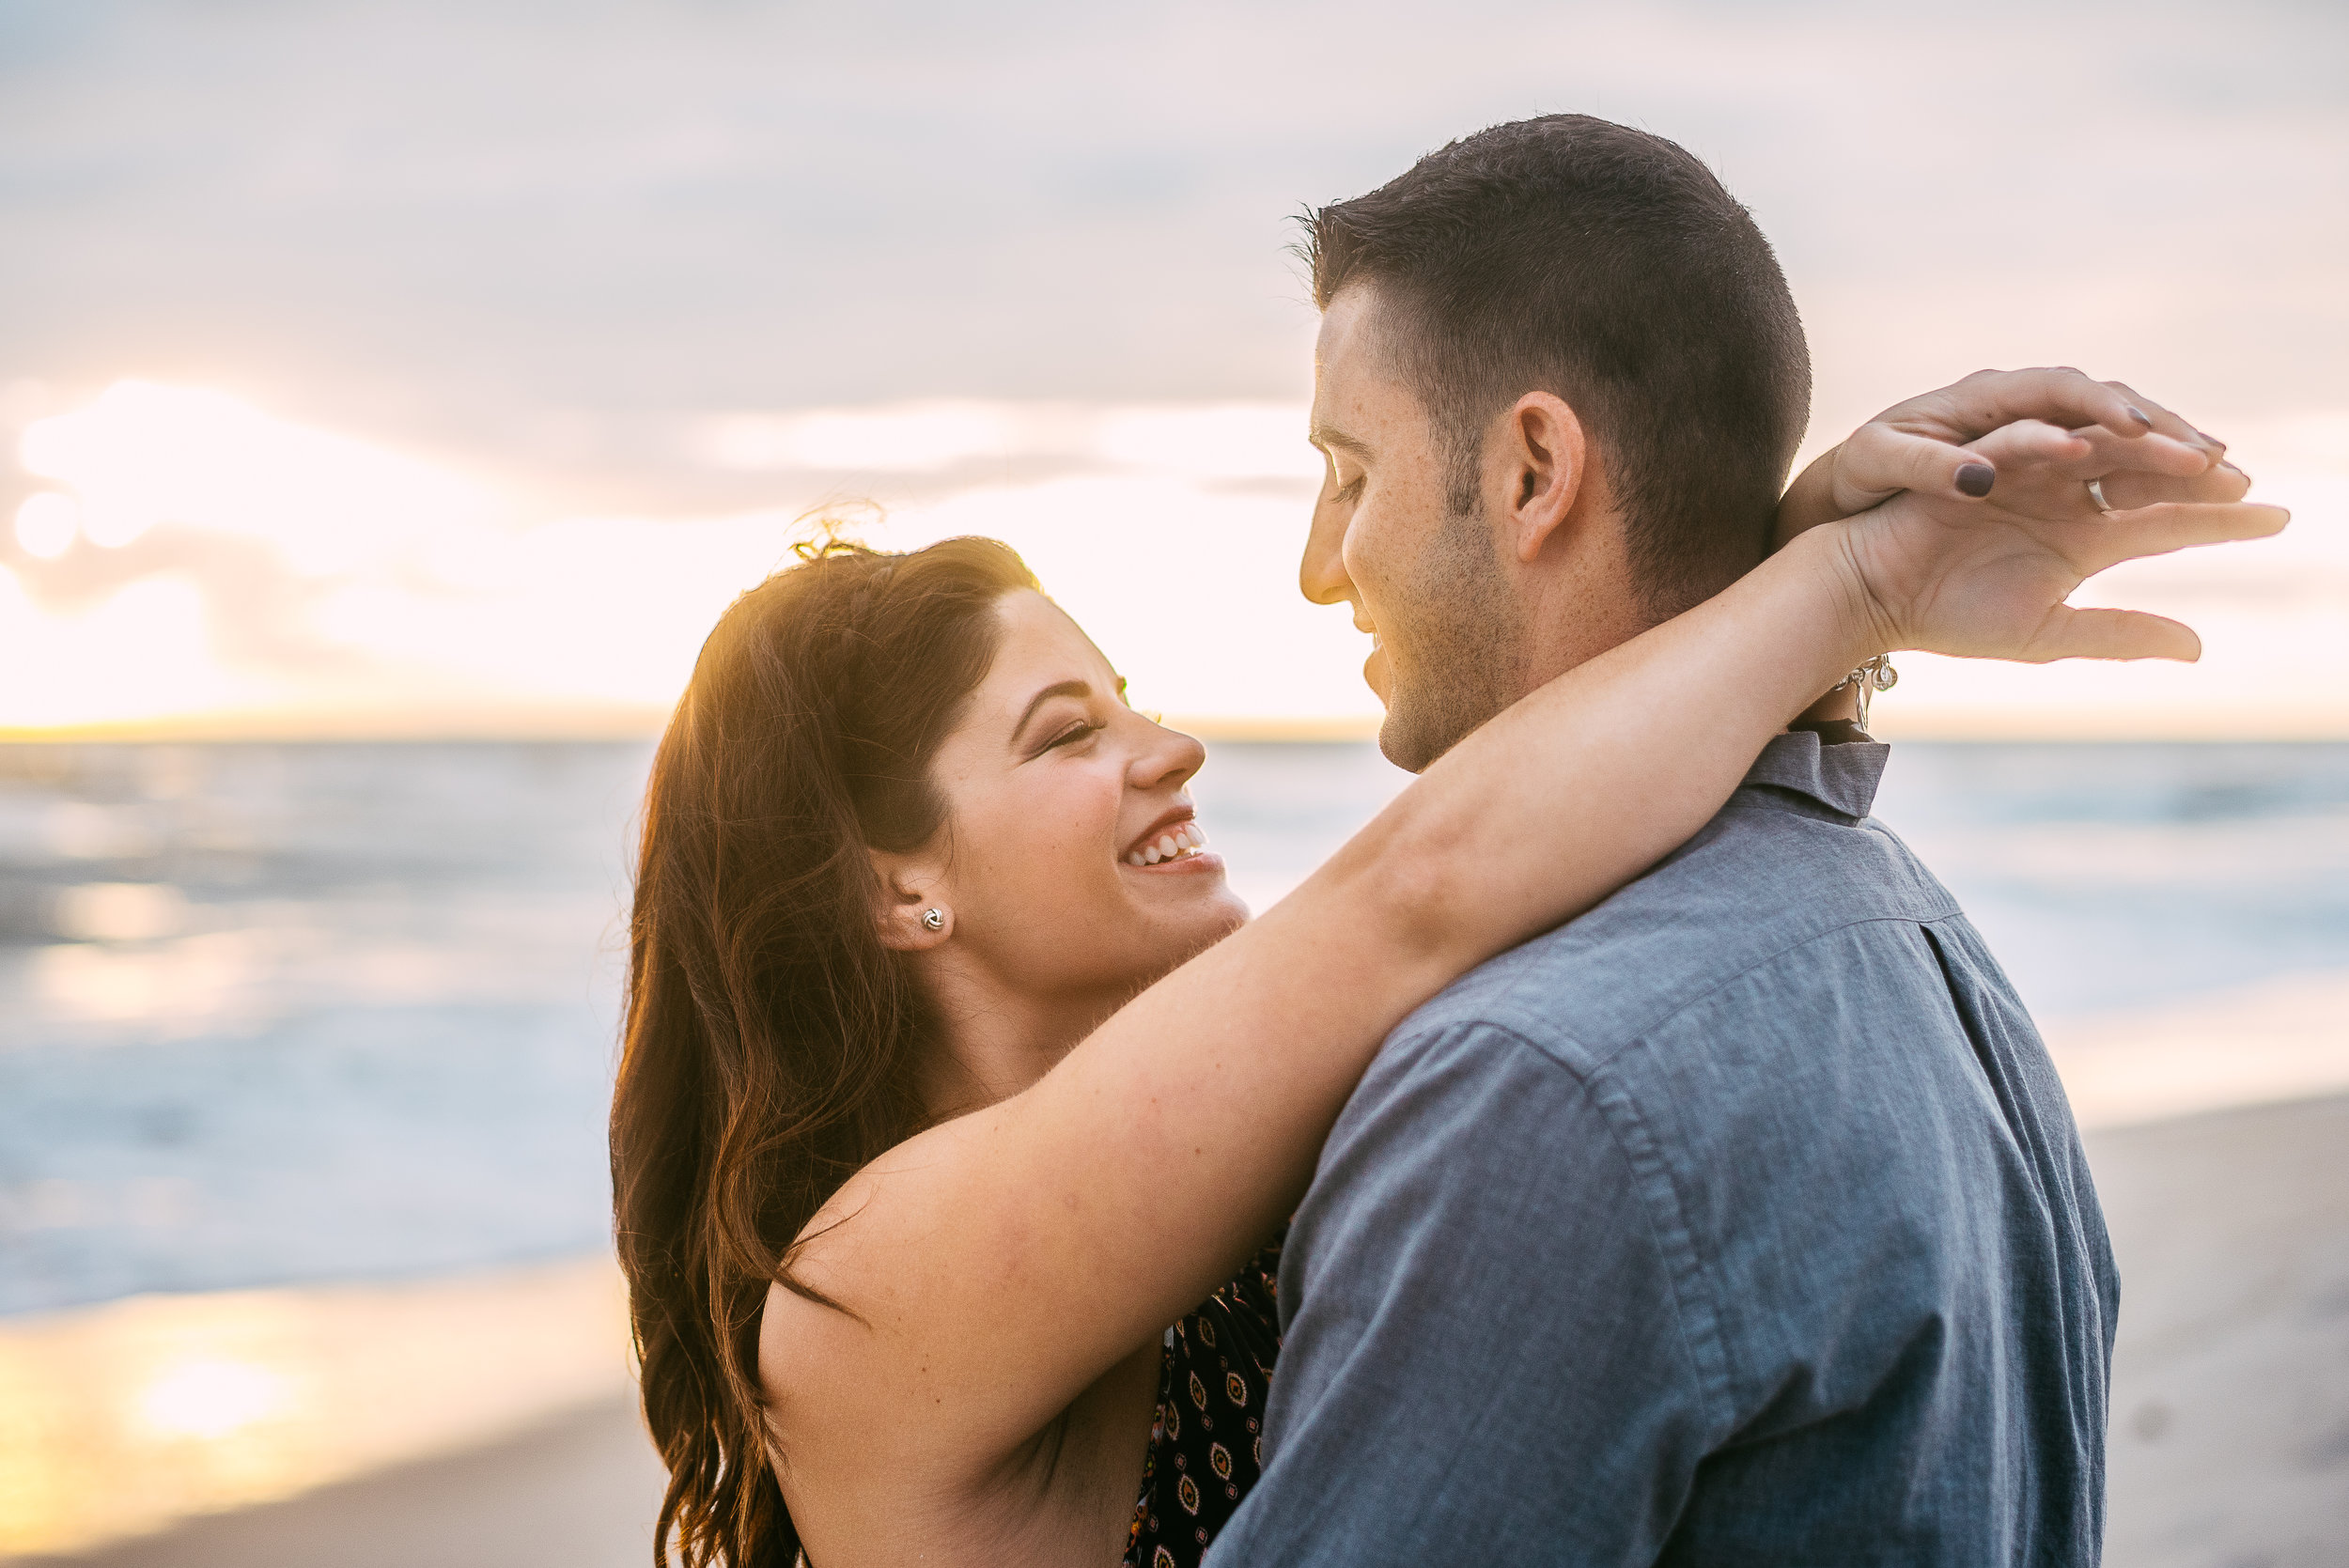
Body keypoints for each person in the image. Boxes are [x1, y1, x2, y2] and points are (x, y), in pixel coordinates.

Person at [605, 133, 2280, 1568]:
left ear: (1538, 468)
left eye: (1130, 701)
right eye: (1066, 733)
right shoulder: (859, 1306)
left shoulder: (1282, 1136)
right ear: (897, 885)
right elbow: (1429, 880)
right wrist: (1836, 577)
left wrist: (1766, 555)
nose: (1169, 748)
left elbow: (1506, 844)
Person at [1199, 116, 2270, 1565]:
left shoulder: (1537, 1089)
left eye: (1349, 471)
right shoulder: (1924, 939)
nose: (1323, 565)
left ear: (1533, 471)